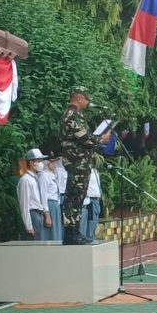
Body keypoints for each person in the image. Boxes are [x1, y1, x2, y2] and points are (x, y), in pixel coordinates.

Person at [59, 86, 111, 245]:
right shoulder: (71, 116)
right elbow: (86, 139)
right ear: (79, 98)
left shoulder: (77, 116)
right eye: (86, 99)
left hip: (81, 162)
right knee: (74, 197)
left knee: (78, 197)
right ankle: (70, 232)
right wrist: (101, 139)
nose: (88, 102)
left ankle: (75, 230)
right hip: (76, 162)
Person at [17, 148, 49, 240]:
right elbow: (24, 204)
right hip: (32, 215)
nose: (42, 163)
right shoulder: (26, 180)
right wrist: (28, 226)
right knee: (32, 245)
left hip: (38, 214)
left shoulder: (35, 178)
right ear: (31, 162)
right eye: (39, 160)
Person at [38, 155, 64, 241]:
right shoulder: (44, 176)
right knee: (50, 232)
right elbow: (43, 195)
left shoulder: (52, 175)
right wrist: (47, 214)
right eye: (52, 162)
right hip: (50, 205)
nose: (54, 164)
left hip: (55, 204)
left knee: (56, 231)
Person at [79, 167, 102, 243]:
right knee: (88, 226)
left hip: (96, 200)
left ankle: (91, 239)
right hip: (89, 200)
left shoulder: (95, 170)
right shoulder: (85, 171)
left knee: (94, 225)